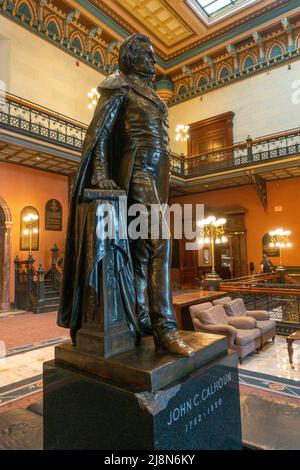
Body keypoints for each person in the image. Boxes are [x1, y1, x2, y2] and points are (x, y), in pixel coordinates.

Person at [57, 34, 193, 357]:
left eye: (153, 55)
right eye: (146, 55)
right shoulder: (118, 84)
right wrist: (101, 173)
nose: (152, 61)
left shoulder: (151, 93)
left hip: (159, 175)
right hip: (137, 168)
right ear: (130, 57)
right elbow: (100, 133)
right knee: (161, 238)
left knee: (143, 249)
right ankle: (165, 327)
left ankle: (142, 314)